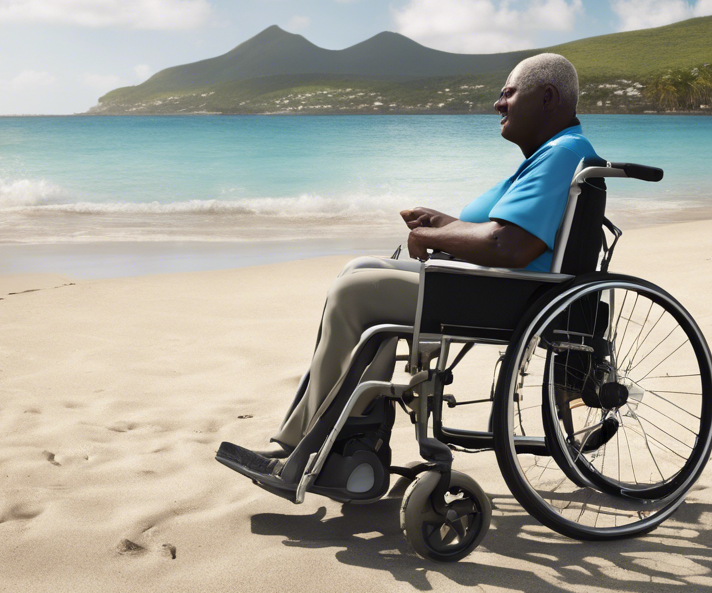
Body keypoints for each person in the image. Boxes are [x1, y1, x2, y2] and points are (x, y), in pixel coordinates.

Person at [225, 52, 599, 471]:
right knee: (359, 270)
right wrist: (444, 224)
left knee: (355, 293)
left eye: (508, 93)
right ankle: (355, 445)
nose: (498, 103)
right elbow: (504, 231)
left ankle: (311, 447)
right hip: (495, 284)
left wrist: (433, 236)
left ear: (547, 97)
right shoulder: (551, 154)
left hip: (506, 295)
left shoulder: (562, 153)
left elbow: (509, 245)